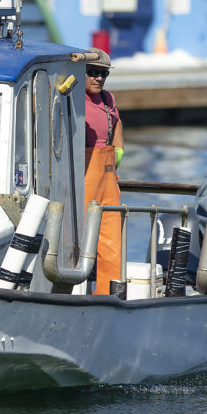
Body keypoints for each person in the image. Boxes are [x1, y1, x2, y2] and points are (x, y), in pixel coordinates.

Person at [83, 47, 123, 295]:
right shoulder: (72, 99)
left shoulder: (109, 100)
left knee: (112, 244)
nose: (98, 77)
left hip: (108, 181)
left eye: (103, 73)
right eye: (92, 72)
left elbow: (118, 140)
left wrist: (116, 156)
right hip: (82, 179)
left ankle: (109, 295)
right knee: (78, 241)